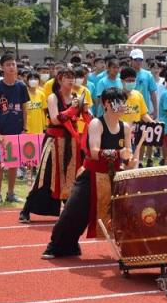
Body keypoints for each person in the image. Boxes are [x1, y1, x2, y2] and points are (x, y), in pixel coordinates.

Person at [41, 88, 135, 258]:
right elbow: (93, 151)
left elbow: (127, 153)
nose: (123, 107)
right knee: (73, 212)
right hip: (91, 175)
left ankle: (132, 249)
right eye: (120, 103)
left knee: (126, 213)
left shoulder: (125, 127)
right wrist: (118, 153)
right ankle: (58, 246)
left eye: (124, 103)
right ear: (107, 104)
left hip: (115, 177)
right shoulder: (96, 124)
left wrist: (130, 161)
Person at [20, 69, 90, 223]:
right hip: (54, 139)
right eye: (67, 78)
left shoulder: (77, 97)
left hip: (71, 140)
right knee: (45, 176)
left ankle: (69, 208)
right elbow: (55, 119)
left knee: (70, 176)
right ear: (59, 79)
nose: (71, 81)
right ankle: (26, 209)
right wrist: (73, 108)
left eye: (73, 77)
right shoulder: (53, 97)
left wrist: (84, 110)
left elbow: (86, 119)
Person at [0, 54, 29, 205]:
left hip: (17, 130)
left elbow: (24, 108)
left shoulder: (21, 86)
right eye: (8, 64)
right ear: (2, 67)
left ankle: (11, 193)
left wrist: (25, 128)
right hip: (2, 131)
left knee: (14, 163)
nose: (11, 67)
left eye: (13, 64)